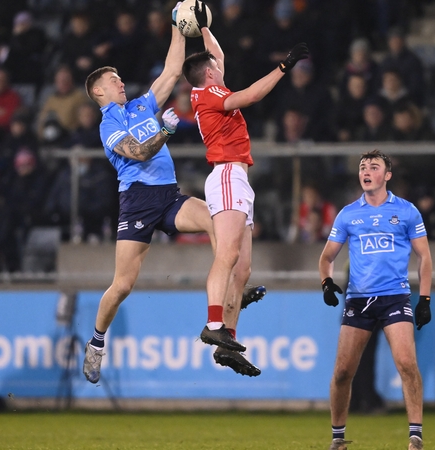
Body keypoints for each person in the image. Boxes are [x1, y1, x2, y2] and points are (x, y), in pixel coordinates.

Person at [81, 2, 265, 385]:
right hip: (138, 201)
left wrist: (179, 26)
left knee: (222, 230)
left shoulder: (140, 105)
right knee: (123, 284)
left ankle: (225, 323)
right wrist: (164, 132)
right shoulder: (109, 122)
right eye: (113, 80)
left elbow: (170, 71)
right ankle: (97, 343)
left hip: (168, 196)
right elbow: (136, 151)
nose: (120, 82)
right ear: (98, 91)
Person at [181, 2, 307, 377]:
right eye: (216, 65)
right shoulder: (210, 96)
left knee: (243, 267)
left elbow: (216, 52)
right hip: (226, 175)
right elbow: (251, 96)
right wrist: (283, 68)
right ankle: (213, 324)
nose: (222, 63)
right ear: (209, 73)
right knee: (228, 255)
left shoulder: (203, 90)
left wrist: (203, 27)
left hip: (236, 177)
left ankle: (228, 343)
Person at [319, 149, 433, 450]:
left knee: (407, 363)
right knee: (343, 372)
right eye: (362, 167)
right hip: (358, 301)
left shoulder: (407, 211)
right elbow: (327, 256)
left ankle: (416, 436)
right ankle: (338, 438)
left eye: (373, 166)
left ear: (387, 175)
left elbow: (424, 257)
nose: (366, 171)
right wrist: (327, 282)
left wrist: (424, 299)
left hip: (395, 298)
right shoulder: (348, 214)